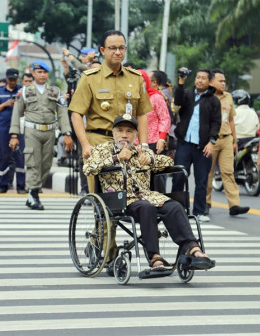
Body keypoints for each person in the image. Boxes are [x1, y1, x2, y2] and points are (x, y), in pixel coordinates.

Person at [83, 114, 215, 270]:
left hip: (148, 196)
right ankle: (154, 257)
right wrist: (116, 158)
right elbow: (88, 168)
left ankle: (192, 248)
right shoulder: (103, 149)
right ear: (113, 133)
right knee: (147, 208)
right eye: (120, 130)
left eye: (129, 131)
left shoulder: (140, 150)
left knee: (175, 207)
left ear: (136, 135)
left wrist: (150, 160)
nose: (124, 135)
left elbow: (169, 162)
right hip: (121, 199)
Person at [69, 30, 153, 192]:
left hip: (127, 145)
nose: (117, 52)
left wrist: (143, 144)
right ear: (102, 50)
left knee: (129, 194)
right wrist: (85, 145)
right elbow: (76, 114)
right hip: (99, 144)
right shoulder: (90, 78)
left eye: (121, 48)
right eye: (112, 48)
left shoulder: (135, 78)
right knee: (102, 197)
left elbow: (142, 114)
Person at [9, 61, 74, 210]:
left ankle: (33, 192)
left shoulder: (55, 91)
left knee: (46, 164)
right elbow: (16, 113)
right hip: (32, 131)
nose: (42, 75)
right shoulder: (24, 91)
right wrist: (14, 135)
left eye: (45, 72)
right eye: (39, 72)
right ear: (33, 73)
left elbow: (63, 113)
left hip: (50, 132)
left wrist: (67, 133)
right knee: (33, 163)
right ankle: (33, 195)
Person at [171, 68, 222, 223]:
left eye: (203, 78)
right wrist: (180, 82)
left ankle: (199, 211)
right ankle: (176, 209)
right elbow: (178, 101)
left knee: (201, 180)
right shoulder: (187, 94)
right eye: (198, 77)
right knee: (179, 176)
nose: (199, 80)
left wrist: (211, 142)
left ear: (210, 82)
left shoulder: (214, 101)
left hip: (203, 146)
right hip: (184, 143)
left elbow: (216, 123)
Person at [206, 70, 249, 217]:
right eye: (220, 81)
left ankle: (234, 205)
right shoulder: (207, 97)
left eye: (224, 81)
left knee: (228, 172)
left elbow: (231, 120)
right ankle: (205, 203)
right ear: (211, 82)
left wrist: (235, 140)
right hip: (210, 140)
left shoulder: (229, 97)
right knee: (208, 173)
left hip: (226, 139)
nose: (223, 83)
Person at [0, 68, 26, 194]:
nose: (12, 82)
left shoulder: (22, 90)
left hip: (20, 129)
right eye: (10, 79)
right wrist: (5, 104)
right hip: (3, 129)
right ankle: (2, 185)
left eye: (14, 79)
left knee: (20, 157)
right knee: (3, 157)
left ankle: (21, 186)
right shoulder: (0, 91)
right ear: (6, 78)